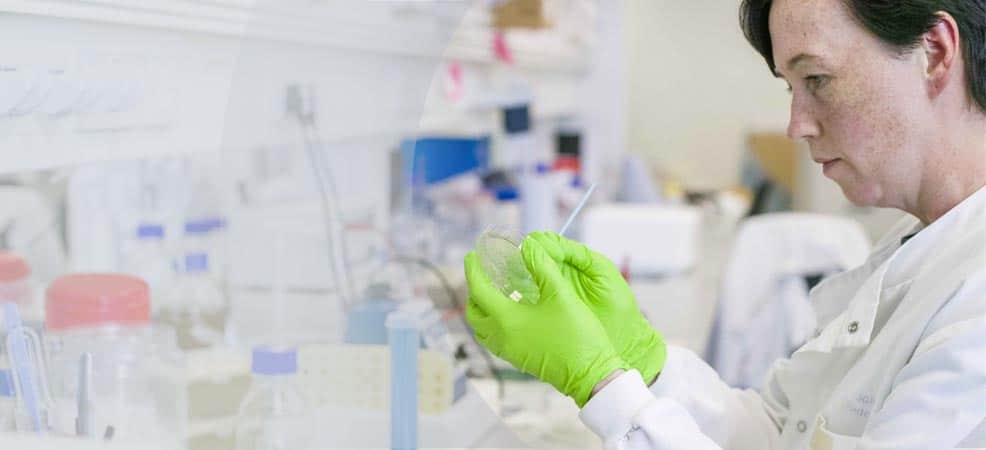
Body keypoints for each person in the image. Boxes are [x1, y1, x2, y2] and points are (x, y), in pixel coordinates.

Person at [463, 0, 986, 448]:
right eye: (791, 87)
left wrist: (604, 385)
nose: (796, 124)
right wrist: (646, 363)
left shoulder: (975, 315)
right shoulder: (922, 242)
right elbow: (784, 431)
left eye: (818, 80)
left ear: (934, 52)